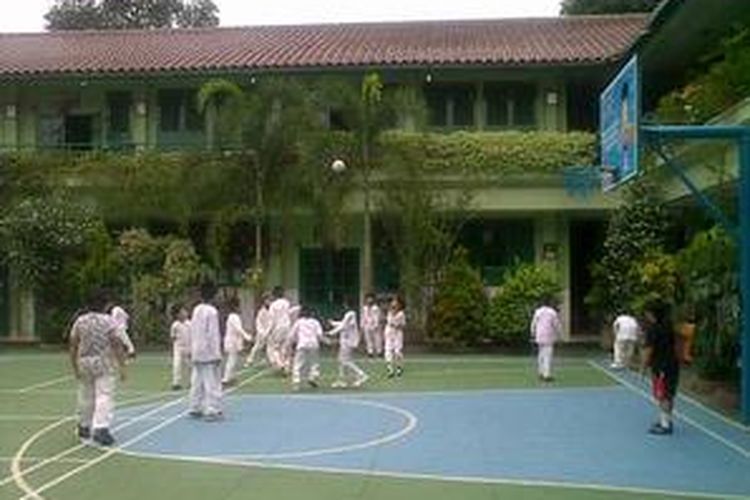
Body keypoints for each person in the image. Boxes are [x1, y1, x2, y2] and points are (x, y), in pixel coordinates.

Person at [69, 289, 127, 446]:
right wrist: (122, 365)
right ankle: (101, 428)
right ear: (105, 304)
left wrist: (74, 364)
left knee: (85, 395)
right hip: (103, 362)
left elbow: (73, 343)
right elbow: (116, 343)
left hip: (84, 361)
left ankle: (84, 425)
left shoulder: (80, 321)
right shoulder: (109, 321)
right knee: (104, 395)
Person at [642, 300, 680, 435]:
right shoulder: (669, 326)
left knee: (662, 395)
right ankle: (666, 420)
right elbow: (676, 344)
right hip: (673, 364)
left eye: (647, 312)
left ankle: (665, 425)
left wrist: (643, 366)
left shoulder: (653, 329)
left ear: (652, 313)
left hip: (660, 366)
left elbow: (649, 349)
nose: (646, 315)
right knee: (668, 394)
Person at [189, 282, 223, 421]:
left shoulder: (196, 309)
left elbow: (193, 330)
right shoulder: (212, 311)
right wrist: (217, 353)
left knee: (197, 380)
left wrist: (193, 348)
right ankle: (212, 409)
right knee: (211, 381)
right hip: (208, 352)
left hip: (197, 349)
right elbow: (213, 334)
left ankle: (195, 407)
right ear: (214, 295)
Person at [327, 304, 368, 388]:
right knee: (341, 361)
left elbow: (343, 326)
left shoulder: (351, 314)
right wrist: (332, 323)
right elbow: (343, 323)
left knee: (345, 361)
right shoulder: (348, 315)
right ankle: (342, 380)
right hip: (346, 341)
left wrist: (330, 333)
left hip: (349, 341)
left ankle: (362, 375)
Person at [286, 305, 324, 391]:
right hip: (313, 344)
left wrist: (290, 344)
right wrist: (324, 341)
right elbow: (319, 335)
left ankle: (296, 381)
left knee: (298, 364)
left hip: (302, 344)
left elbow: (292, 335)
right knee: (314, 363)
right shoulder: (315, 322)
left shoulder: (299, 322)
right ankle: (313, 377)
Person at [530, 296, 562, 382]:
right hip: (548, 336)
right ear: (549, 303)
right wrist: (559, 334)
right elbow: (556, 324)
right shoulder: (552, 312)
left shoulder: (538, 311)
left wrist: (532, 333)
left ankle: (540, 372)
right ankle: (546, 375)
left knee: (541, 355)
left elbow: (533, 323)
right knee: (547, 355)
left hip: (539, 336)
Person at [222, 296, 252, 386]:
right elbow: (238, 329)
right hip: (232, 341)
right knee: (231, 360)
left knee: (233, 360)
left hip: (233, 341)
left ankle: (229, 377)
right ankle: (226, 378)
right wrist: (248, 337)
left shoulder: (233, 316)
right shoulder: (234, 317)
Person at [267, 286, 293, 373]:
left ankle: (280, 364)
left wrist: (269, 331)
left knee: (275, 348)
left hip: (278, 328)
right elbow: (288, 313)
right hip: (287, 327)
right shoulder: (287, 303)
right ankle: (287, 367)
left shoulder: (273, 305)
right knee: (286, 348)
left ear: (274, 294)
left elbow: (272, 320)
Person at [245, 292, 271, 367]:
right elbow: (258, 322)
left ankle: (265, 360)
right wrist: (261, 331)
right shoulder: (261, 311)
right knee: (257, 347)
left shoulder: (272, 309)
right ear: (264, 301)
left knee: (269, 347)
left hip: (269, 331)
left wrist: (269, 331)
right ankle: (249, 360)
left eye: (270, 299)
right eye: (267, 300)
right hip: (261, 332)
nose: (269, 301)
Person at [169, 303, 191, 390]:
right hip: (178, 347)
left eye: (185, 311)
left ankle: (191, 382)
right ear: (177, 315)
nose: (184, 313)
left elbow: (192, 336)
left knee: (190, 366)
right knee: (177, 365)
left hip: (188, 347)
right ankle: (176, 383)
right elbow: (173, 338)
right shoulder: (175, 325)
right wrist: (172, 350)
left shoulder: (189, 324)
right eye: (182, 312)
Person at [384, 295, 406, 378]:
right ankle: (390, 369)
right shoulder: (389, 312)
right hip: (389, 332)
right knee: (388, 350)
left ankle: (399, 368)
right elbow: (389, 322)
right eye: (393, 302)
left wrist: (397, 326)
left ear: (399, 304)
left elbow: (402, 325)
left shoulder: (401, 314)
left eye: (396, 302)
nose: (394, 304)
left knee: (397, 351)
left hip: (398, 334)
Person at [361, 292, 383, 358]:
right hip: (367, 325)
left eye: (370, 299)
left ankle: (379, 351)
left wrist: (376, 325)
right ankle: (370, 352)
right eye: (368, 299)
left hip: (375, 325)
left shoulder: (376, 308)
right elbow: (363, 317)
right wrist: (362, 325)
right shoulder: (364, 308)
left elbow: (377, 317)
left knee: (377, 338)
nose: (369, 300)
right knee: (368, 339)